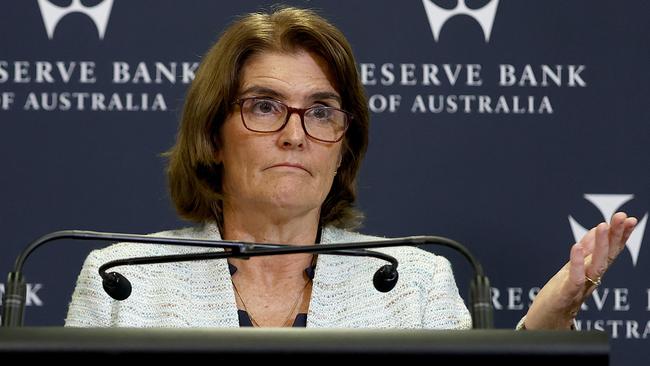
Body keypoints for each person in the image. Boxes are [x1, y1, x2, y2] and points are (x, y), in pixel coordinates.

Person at [64, 7, 637, 329]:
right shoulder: (124, 280)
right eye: (265, 106)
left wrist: (545, 325)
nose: (295, 133)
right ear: (213, 136)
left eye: (321, 111)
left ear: (343, 146)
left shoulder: (413, 281)